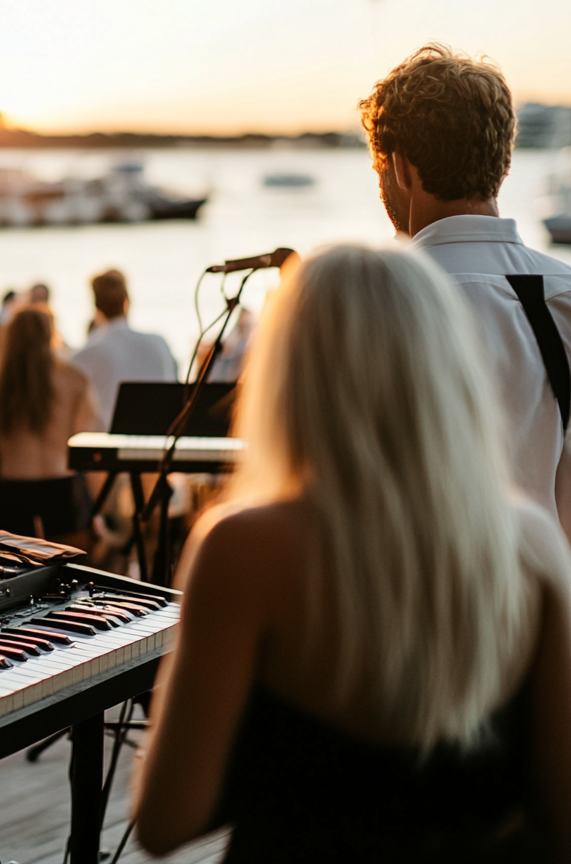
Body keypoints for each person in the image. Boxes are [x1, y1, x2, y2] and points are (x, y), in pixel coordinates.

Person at [133, 245, 571, 861]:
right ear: (444, 363)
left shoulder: (242, 549)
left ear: (290, 371)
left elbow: (165, 821)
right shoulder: (532, 542)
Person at [360, 43, 571, 540]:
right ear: (502, 161)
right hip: (545, 609)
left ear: (401, 167)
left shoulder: (365, 305)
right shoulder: (563, 298)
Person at [0, 306, 98, 540]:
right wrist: (98, 510)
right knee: (67, 572)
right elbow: (86, 440)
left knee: (13, 572)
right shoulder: (75, 377)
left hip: (12, 492)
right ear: (51, 333)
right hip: (62, 490)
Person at [72, 269, 177, 429]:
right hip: (160, 437)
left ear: (96, 307)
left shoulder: (85, 355)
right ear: (127, 302)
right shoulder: (159, 343)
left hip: (108, 444)